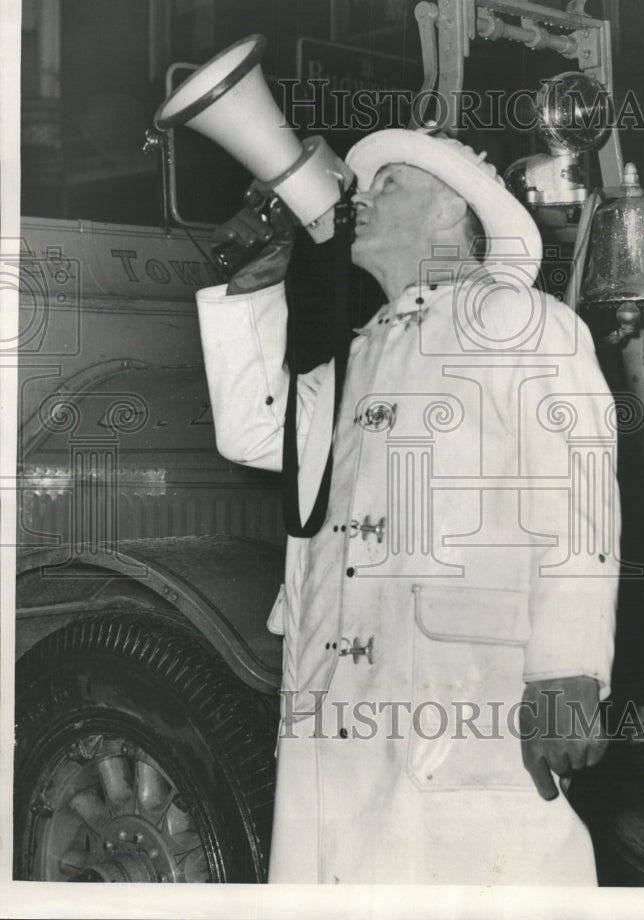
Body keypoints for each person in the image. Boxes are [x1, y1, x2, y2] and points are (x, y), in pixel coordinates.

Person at [195, 129, 620, 885]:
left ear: (450, 207)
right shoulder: (358, 355)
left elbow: (578, 493)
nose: (359, 197)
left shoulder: (520, 324)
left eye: (387, 184)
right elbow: (256, 432)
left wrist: (568, 671)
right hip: (341, 706)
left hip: (462, 696)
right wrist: (250, 287)